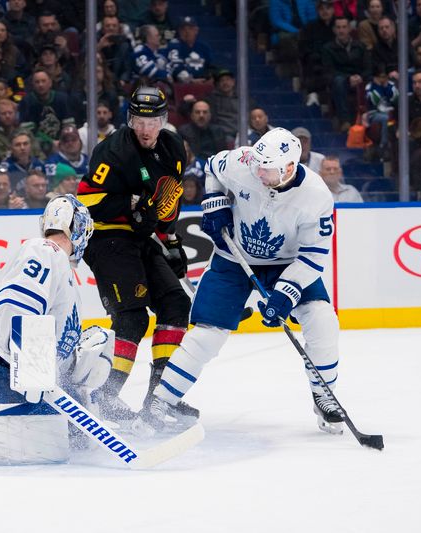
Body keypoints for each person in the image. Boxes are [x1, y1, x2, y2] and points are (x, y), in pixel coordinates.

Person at [135, 128, 346, 438]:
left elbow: (313, 257)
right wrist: (215, 200)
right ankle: (161, 401)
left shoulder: (316, 197)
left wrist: (284, 295)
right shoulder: (244, 161)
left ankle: (324, 394)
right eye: (257, 164)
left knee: (322, 319)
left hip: (287, 263)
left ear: (290, 167)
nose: (258, 172)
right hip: (233, 259)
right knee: (206, 336)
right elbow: (212, 168)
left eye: (268, 168)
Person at [76, 86, 194, 423]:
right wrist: (129, 203)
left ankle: (160, 399)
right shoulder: (112, 150)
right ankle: (103, 397)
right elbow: (85, 202)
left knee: (175, 304)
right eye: (139, 120)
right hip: (107, 237)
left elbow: (169, 199)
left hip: (142, 239)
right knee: (133, 317)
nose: (145, 128)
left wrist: (170, 240)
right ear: (130, 119)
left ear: (163, 120)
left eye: (152, 120)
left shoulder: (173, 147)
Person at [0, 194, 105, 408]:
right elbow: (16, 302)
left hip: (14, 369)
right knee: (14, 433)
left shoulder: (62, 269)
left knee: (66, 434)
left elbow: (52, 349)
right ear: (77, 227)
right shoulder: (44, 250)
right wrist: (32, 370)